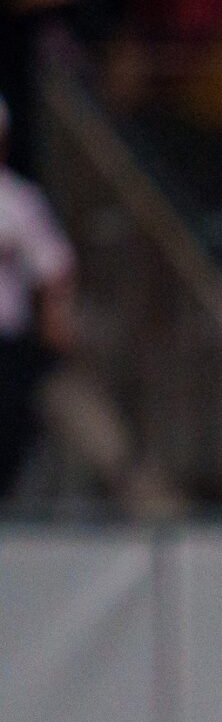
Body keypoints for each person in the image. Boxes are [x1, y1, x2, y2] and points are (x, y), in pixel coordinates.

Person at [0, 96, 75, 496]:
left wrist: (54, 318)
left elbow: (55, 266)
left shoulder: (17, 200)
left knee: (11, 424)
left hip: (6, 336)